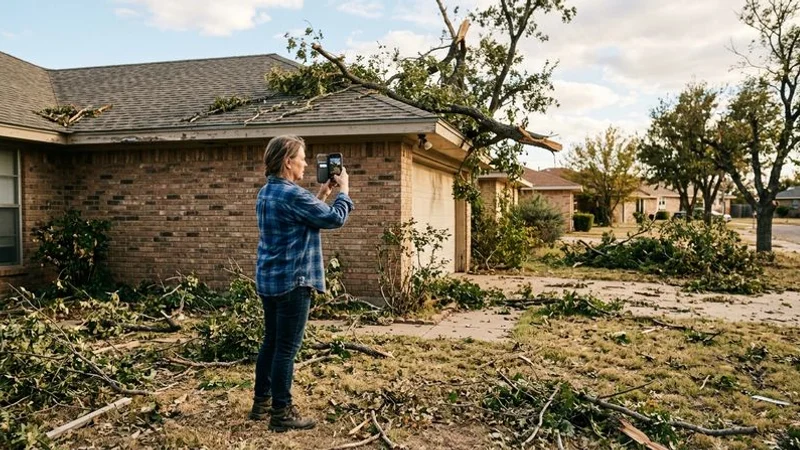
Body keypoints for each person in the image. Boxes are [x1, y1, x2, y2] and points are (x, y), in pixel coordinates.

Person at [249, 135, 353, 432]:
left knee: (271, 342)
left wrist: (322, 193)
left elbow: (305, 216)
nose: (306, 164)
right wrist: (343, 190)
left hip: (269, 280)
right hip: (294, 281)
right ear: (287, 162)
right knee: (286, 349)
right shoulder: (292, 194)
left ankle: (261, 403)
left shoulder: (267, 192)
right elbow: (334, 219)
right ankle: (282, 413)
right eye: (302, 158)